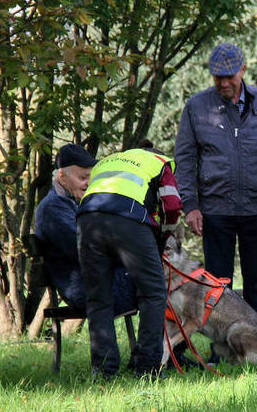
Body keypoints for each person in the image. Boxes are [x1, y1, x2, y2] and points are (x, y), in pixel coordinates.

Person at [174, 42, 257, 321]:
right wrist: (190, 206)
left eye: (229, 76)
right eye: (217, 76)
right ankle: (220, 351)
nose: (223, 82)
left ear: (243, 70)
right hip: (215, 211)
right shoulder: (197, 107)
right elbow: (185, 160)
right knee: (216, 285)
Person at [77, 144, 182, 378]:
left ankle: (103, 370)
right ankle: (148, 369)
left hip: (87, 221)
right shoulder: (160, 162)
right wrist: (163, 236)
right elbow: (172, 206)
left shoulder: (107, 161)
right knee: (153, 294)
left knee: (98, 297)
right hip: (129, 221)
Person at [34, 144, 136, 315]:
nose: (88, 183)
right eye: (82, 178)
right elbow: (85, 249)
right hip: (87, 289)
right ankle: (167, 341)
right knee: (155, 283)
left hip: (97, 281)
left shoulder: (71, 203)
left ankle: (171, 339)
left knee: (159, 278)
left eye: (91, 177)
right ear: (62, 176)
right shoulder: (52, 209)